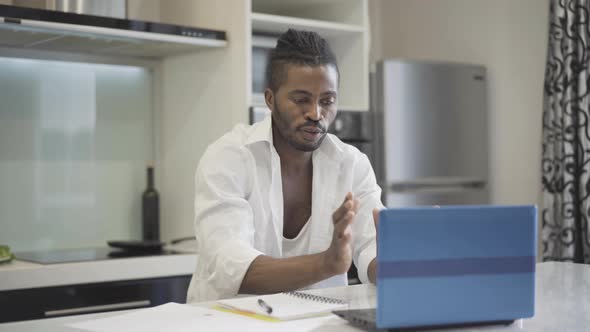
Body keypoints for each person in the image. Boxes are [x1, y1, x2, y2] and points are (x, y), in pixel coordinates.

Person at [187, 29, 384, 302]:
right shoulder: (229, 157)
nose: (316, 114)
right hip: (227, 324)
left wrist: (407, 259)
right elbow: (231, 269)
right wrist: (326, 263)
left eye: (327, 101)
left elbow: (373, 250)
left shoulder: (352, 164)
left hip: (318, 322)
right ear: (270, 98)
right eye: (301, 100)